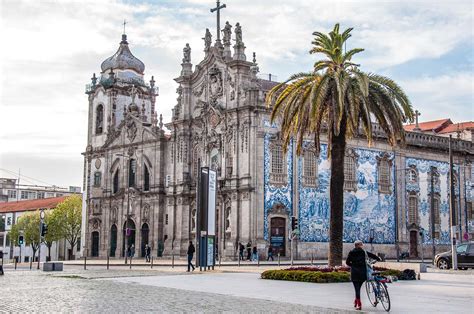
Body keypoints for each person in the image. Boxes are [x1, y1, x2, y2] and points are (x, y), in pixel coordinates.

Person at [346, 240, 381, 311]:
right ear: (359, 245)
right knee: (359, 288)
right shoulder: (364, 252)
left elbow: (347, 262)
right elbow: (372, 255)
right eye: (361, 244)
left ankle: (358, 304)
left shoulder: (351, 252)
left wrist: (353, 266)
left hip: (354, 273)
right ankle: (357, 302)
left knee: (357, 289)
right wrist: (378, 258)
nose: (362, 246)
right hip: (362, 273)